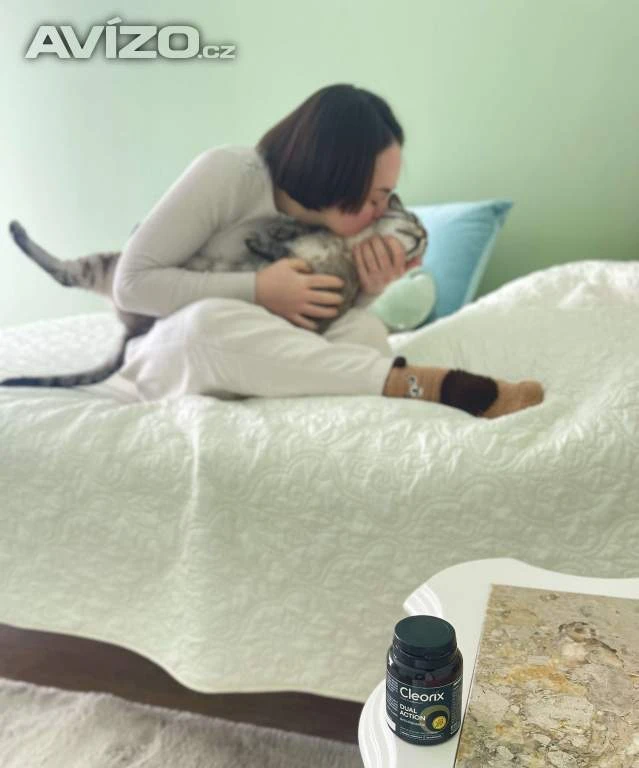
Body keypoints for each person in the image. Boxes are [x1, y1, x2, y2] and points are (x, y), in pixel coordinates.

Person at [112, 84, 543, 417]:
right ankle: (423, 385)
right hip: (175, 356)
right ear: (337, 172)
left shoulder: (327, 229)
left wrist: (368, 290)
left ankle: (367, 389)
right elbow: (130, 285)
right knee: (207, 325)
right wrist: (259, 289)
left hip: (264, 363)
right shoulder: (231, 172)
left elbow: (310, 327)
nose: (380, 212)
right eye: (375, 197)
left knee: (364, 328)